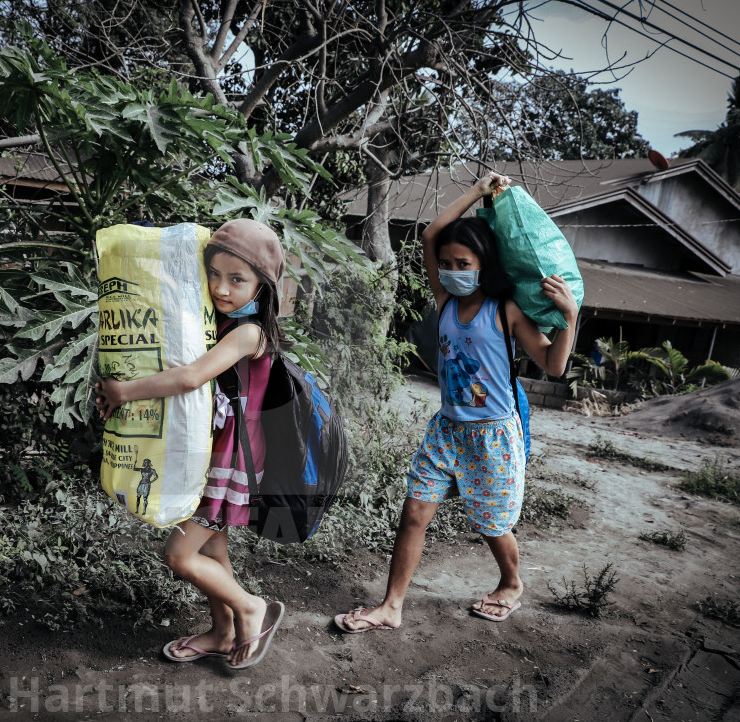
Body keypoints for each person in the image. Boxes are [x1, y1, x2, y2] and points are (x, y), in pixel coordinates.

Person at [335, 172, 578, 630]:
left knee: (492, 524)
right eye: (446, 263)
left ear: (483, 264)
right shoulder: (445, 300)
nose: (451, 269)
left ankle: (511, 583)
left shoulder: (505, 312)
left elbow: (553, 365)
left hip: (492, 434)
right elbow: (430, 233)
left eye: (462, 262)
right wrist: (479, 192)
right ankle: (391, 606)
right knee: (413, 513)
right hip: (447, 428)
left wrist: (570, 316)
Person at [95, 218, 287, 669]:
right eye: (214, 275)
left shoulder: (249, 332)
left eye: (237, 279)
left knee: (180, 555)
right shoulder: (217, 323)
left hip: (230, 457)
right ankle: (222, 634)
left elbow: (190, 377)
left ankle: (250, 607)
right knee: (211, 549)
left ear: (262, 288)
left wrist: (124, 391)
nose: (221, 288)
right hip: (211, 450)